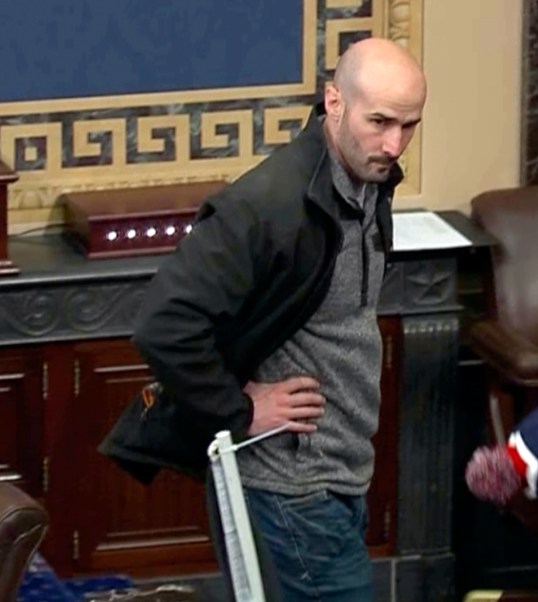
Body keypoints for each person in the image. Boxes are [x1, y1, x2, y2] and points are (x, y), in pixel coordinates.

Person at [99, 37, 427, 601]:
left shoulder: (370, 183)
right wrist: (238, 409)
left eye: (409, 125)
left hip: (341, 472)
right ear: (334, 101)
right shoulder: (266, 205)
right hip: (287, 486)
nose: (394, 144)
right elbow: (163, 325)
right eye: (379, 122)